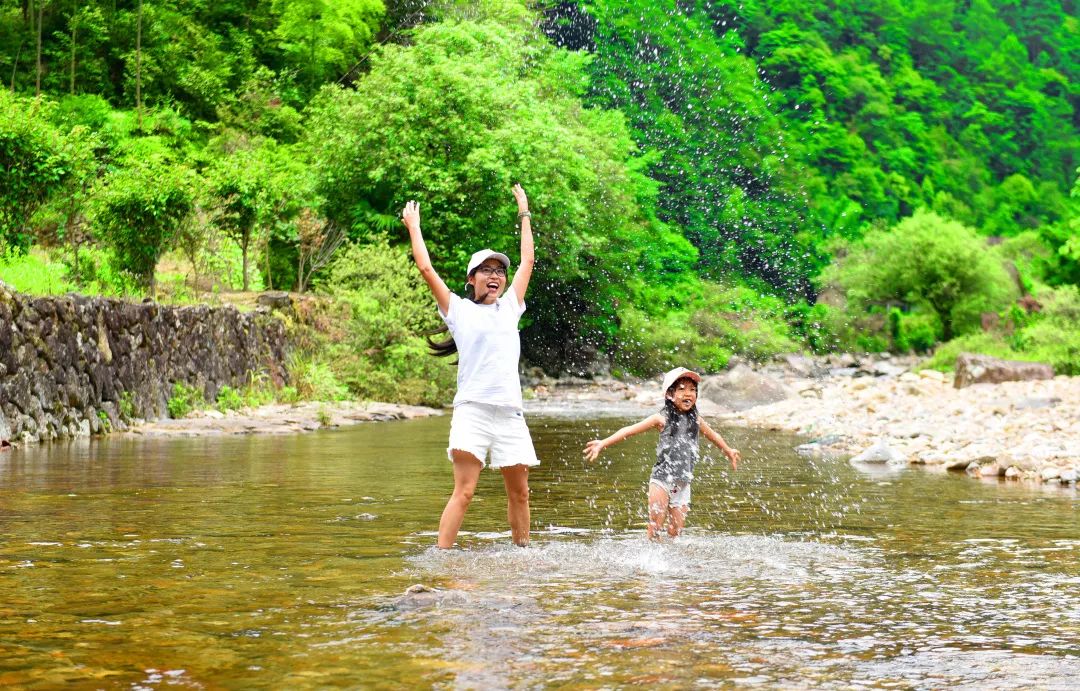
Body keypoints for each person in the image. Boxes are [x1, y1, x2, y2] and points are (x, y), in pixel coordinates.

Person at [402, 184, 538, 549]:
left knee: (521, 493)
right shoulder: (457, 311)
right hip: (473, 411)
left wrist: (524, 211)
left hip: (510, 413)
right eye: (486, 270)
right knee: (464, 492)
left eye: (499, 271)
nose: (495, 275)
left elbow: (527, 262)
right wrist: (414, 227)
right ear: (471, 279)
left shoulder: (510, 307)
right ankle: (441, 558)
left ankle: (522, 556)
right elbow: (426, 268)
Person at [583, 367, 740, 539]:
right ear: (669, 395)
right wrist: (603, 443)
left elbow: (713, 435)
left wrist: (728, 450)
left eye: (693, 390)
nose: (688, 393)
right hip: (661, 479)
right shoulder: (661, 418)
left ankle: (672, 562)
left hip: (683, 481)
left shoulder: (696, 419)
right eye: (682, 389)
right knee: (656, 525)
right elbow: (629, 431)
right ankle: (650, 559)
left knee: (676, 531)